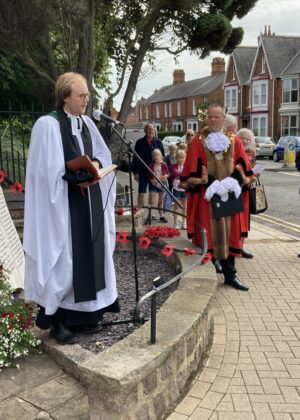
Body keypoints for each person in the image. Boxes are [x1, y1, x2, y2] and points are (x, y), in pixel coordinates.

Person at [23, 72, 120, 344]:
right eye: (81, 95)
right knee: (64, 261)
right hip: (63, 209)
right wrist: (71, 179)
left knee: (89, 256)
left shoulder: (87, 123)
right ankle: (57, 320)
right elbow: (43, 174)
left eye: (88, 95)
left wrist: (96, 169)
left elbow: (102, 155)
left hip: (87, 204)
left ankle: (85, 317)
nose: (87, 100)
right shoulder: (48, 125)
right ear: (65, 96)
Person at [181, 104, 255, 291]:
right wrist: (211, 182)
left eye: (217, 117)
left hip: (230, 195)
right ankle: (212, 270)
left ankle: (231, 275)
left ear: (223, 118)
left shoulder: (235, 141)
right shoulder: (197, 142)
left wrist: (232, 181)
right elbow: (191, 169)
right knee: (209, 234)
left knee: (232, 235)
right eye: (210, 117)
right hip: (208, 197)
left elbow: (244, 167)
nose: (213, 120)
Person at [131, 124, 165, 209]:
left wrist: (163, 172)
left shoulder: (158, 142)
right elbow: (136, 158)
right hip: (143, 172)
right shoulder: (139, 142)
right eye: (148, 129)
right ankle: (140, 212)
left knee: (152, 194)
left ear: (154, 131)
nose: (150, 131)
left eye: (152, 130)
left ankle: (151, 214)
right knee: (141, 193)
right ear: (145, 131)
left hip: (155, 173)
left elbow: (162, 157)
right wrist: (136, 172)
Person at [237, 128, 256, 259]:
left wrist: (255, 174)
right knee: (236, 221)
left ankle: (241, 247)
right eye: (242, 138)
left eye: (247, 139)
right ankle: (233, 248)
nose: (244, 141)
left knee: (245, 222)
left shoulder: (251, 153)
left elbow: (251, 169)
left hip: (246, 190)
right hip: (236, 190)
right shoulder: (234, 152)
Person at [148, 148, 170, 223]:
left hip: (161, 184)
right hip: (154, 184)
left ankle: (161, 215)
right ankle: (151, 215)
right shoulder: (151, 165)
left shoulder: (163, 164)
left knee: (161, 201)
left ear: (160, 156)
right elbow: (149, 175)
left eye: (156, 155)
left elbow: (168, 174)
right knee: (152, 200)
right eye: (153, 155)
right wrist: (152, 181)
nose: (155, 157)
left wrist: (165, 176)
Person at [172, 150, 187, 229]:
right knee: (176, 206)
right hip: (176, 188)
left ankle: (184, 222)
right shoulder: (174, 166)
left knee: (184, 206)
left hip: (185, 188)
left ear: (185, 158)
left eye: (183, 157)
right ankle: (175, 223)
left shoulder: (187, 166)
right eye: (179, 157)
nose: (181, 159)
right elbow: (175, 174)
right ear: (176, 158)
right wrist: (182, 175)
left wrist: (181, 176)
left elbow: (186, 175)